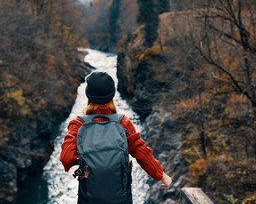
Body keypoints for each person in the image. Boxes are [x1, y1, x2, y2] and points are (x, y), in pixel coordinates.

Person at [60, 71, 172, 203]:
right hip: (121, 199)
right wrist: (161, 175)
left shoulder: (78, 125)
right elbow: (142, 152)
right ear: (112, 95)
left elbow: (66, 159)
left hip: (89, 199)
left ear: (88, 96)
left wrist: (86, 158)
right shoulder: (123, 123)